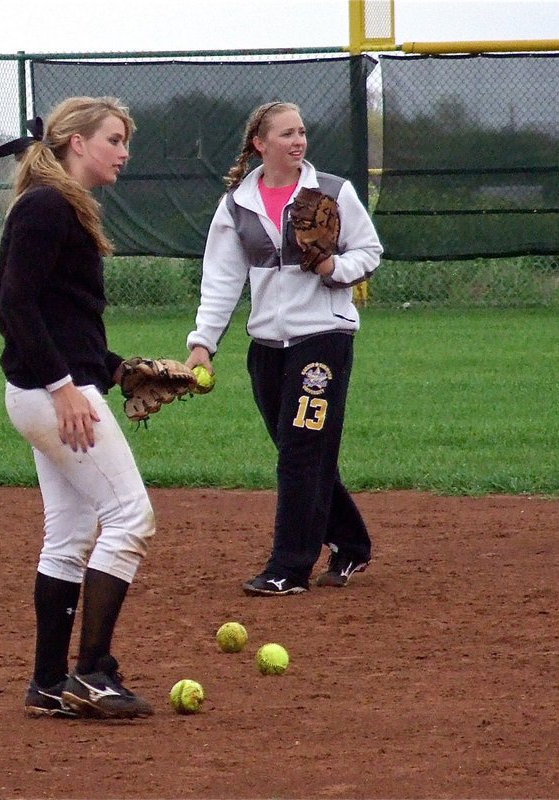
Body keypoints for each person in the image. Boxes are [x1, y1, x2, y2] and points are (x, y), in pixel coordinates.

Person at [0, 96, 155, 719]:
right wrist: (64, 387)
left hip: (50, 390)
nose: (124, 152)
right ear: (76, 143)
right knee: (130, 516)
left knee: (71, 532)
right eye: (114, 139)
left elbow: (62, 316)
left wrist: (118, 369)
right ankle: (92, 673)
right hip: (52, 395)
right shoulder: (46, 206)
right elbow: (15, 304)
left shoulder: (60, 205)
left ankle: (48, 682)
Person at [185, 101, 383, 597]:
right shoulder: (237, 204)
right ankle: (351, 543)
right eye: (286, 134)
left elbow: (369, 252)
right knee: (301, 451)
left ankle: (289, 568)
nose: (298, 141)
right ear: (260, 143)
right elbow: (221, 279)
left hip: (324, 337)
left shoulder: (332, 191)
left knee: (301, 450)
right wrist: (203, 343)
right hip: (267, 346)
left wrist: (332, 269)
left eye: (301, 132)